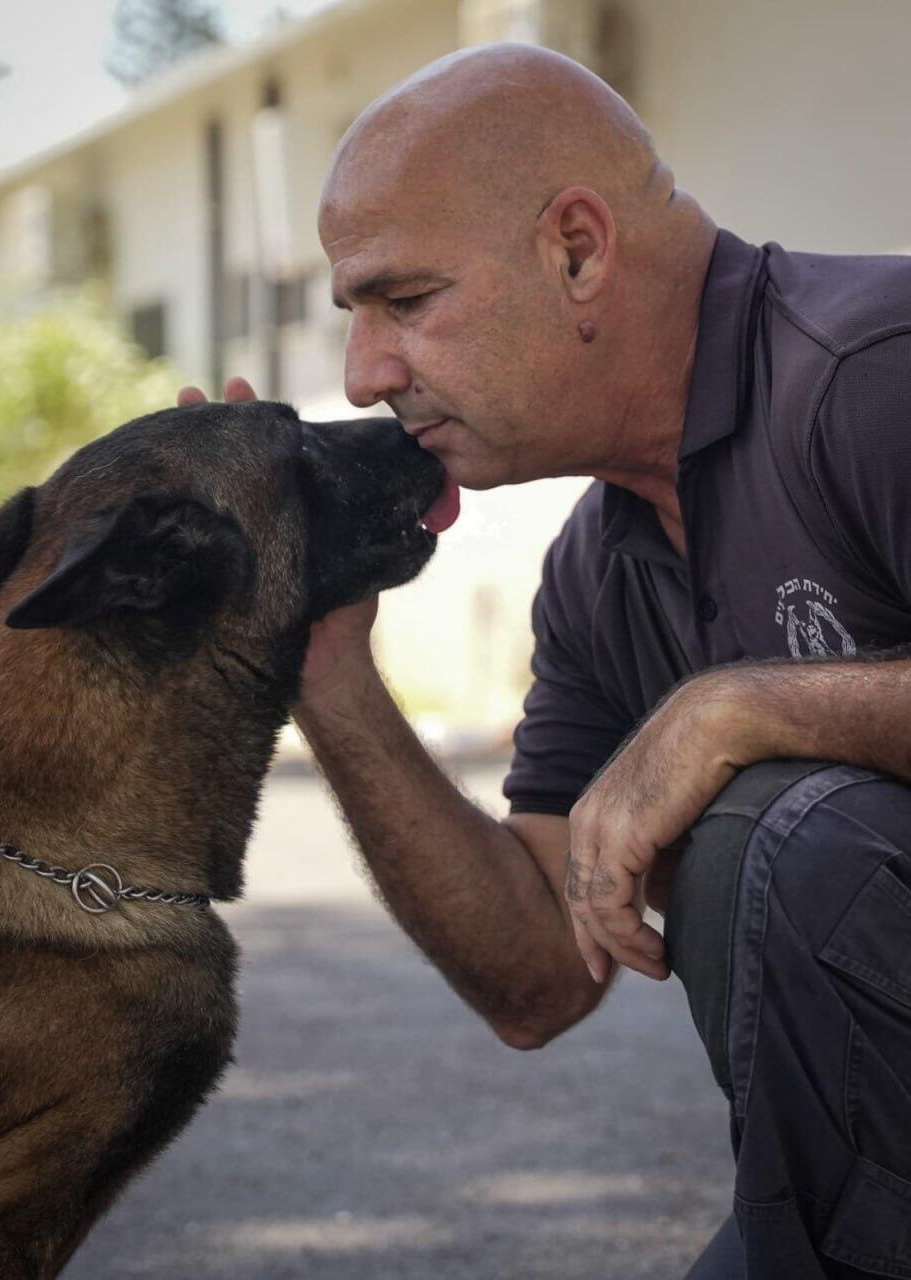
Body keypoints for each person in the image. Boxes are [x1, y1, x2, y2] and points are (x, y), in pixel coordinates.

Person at [179, 43, 911, 1278]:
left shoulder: (870, 373)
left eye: (402, 301)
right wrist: (325, 672)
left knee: (779, 824)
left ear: (575, 248)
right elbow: (533, 977)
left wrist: (733, 710)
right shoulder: (597, 568)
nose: (365, 374)